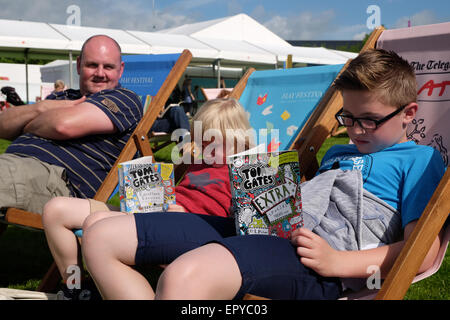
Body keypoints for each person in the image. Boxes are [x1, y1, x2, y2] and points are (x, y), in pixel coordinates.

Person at [81, 49, 445, 300]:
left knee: (182, 276)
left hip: (315, 262)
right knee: (101, 237)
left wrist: (338, 263)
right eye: (347, 117)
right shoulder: (339, 152)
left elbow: (424, 253)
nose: (355, 130)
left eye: (368, 120)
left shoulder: (419, 161)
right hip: (265, 229)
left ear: (409, 112)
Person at [42, 98, 254, 299]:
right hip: (156, 213)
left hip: (186, 228)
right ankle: (75, 287)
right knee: (56, 210)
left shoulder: (244, 171)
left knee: (94, 224)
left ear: (240, 139)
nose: (206, 147)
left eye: (215, 141)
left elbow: (239, 224)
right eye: (202, 139)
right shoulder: (198, 161)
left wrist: (189, 216)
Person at [0, 35, 143, 214]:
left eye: (108, 66)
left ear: (120, 70)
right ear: (78, 65)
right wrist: (41, 107)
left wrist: (26, 124)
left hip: (58, 183)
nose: (100, 73)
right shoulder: (60, 97)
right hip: (14, 167)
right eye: (92, 65)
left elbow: (63, 125)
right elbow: (3, 125)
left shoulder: (125, 99)